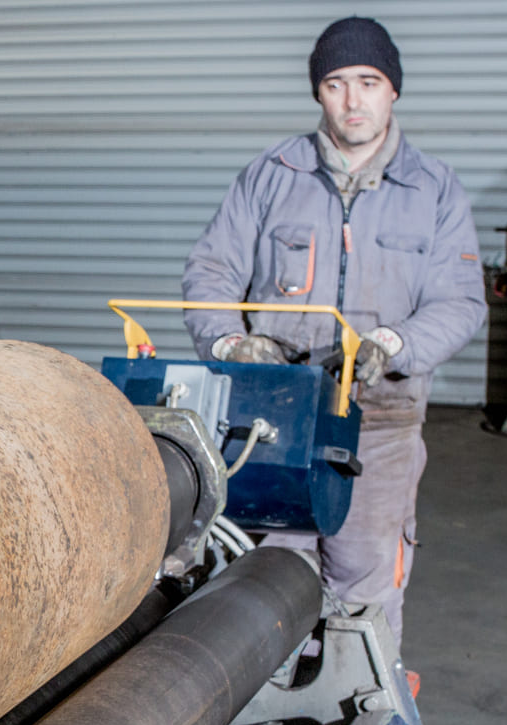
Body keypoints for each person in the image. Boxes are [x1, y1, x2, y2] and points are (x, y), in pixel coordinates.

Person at [182, 16, 487, 646]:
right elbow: (211, 270)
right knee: (264, 592)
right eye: (336, 84)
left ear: (393, 90)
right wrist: (229, 343)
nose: (353, 100)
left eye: (368, 82)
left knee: (365, 599)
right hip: (276, 428)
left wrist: (392, 345)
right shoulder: (272, 175)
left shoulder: (435, 191)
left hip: (379, 429)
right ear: (318, 92)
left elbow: (459, 303)